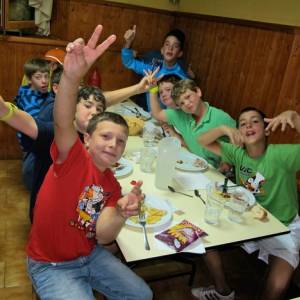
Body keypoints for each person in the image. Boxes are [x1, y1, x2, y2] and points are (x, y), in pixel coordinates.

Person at [24, 25, 153, 300]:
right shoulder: (71, 156)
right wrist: (71, 77)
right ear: (87, 139)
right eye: (105, 136)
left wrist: (120, 211)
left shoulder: (112, 186)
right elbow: (62, 118)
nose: (113, 144)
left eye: (120, 141)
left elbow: (104, 235)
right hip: (51, 265)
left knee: (143, 295)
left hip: (89, 256)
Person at [194, 108, 300, 300]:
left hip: (283, 227)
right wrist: (224, 129)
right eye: (242, 123)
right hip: (246, 219)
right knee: (203, 239)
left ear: (267, 130)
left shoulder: (282, 155)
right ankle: (223, 291)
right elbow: (201, 140)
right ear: (239, 133)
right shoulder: (236, 153)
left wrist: (295, 117)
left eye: (255, 121)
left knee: (276, 286)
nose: (248, 125)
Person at [149, 78, 236, 168]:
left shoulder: (221, 117)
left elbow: (239, 143)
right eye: (181, 103)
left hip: (215, 171)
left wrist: (227, 163)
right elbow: (157, 113)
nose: (186, 103)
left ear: (198, 92)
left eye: (188, 97)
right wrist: (153, 89)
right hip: (191, 163)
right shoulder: (180, 115)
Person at [122, 25, 192, 111]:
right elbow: (128, 62)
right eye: (167, 44)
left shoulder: (182, 78)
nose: (170, 48)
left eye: (175, 46)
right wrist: (128, 42)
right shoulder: (153, 70)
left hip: (167, 122)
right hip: (150, 118)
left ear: (180, 53)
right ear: (162, 50)